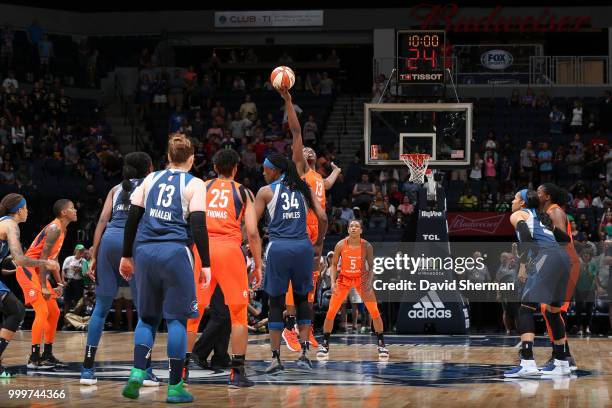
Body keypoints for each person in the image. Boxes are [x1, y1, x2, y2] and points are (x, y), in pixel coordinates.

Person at [119, 134, 210, 403]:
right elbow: (198, 226)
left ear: (168, 157)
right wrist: (205, 262)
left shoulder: (151, 179)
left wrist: (126, 256)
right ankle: (175, 387)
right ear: (192, 159)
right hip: (175, 253)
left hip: (145, 252)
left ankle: (137, 372)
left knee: (147, 318)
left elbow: (132, 218)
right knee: (176, 321)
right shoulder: (195, 184)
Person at [184, 148, 262, 388]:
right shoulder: (243, 192)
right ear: (236, 168)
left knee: (192, 313)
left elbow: (187, 216)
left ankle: (182, 369)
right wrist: (258, 264)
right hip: (230, 251)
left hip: (203, 250)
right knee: (238, 315)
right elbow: (251, 232)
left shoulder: (201, 186)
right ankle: (237, 373)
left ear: (215, 168)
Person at [79, 152, 155, 386]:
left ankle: (87, 370)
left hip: (109, 240)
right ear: (148, 168)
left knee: (101, 308)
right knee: (145, 312)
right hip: (132, 242)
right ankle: (144, 370)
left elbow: (102, 221)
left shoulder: (114, 188)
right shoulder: (150, 185)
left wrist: (93, 253)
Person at [278, 87, 341, 353]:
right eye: (303, 150)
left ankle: (305, 331)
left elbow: (328, 182)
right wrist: (289, 101)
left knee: (311, 286)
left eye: (311, 150)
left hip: (318, 234)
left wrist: (336, 169)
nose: (307, 150)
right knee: (296, 284)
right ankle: (288, 328)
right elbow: (296, 132)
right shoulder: (301, 171)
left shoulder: (318, 179)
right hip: (300, 230)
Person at [254, 152, 327, 374]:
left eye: (265, 169)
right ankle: (304, 355)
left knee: (276, 303)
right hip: (303, 247)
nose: (263, 172)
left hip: (279, 247)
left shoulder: (266, 192)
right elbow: (323, 218)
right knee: (303, 300)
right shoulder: (305, 189)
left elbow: (252, 225)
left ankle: (276, 358)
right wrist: (319, 242)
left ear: (275, 171)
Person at [504, 190, 571, 378]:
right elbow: (565, 239)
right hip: (564, 260)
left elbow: (524, 236)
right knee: (553, 311)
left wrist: (523, 265)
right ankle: (561, 362)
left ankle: (527, 363)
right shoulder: (542, 219)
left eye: (515, 198)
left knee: (525, 307)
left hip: (546, 257)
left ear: (523, 203)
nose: (512, 200)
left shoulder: (518, 214)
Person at [0, 194, 60, 377]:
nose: (27, 211)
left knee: (15, 310)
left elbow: (12, 258)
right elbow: (19, 258)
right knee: (16, 310)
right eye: (26, 208)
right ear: (19, 210)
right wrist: (45, 263)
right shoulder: (11, 225)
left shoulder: (3, 222)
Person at [16, 199, 78, 369]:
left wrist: (60, 282)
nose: (76, 210)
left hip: (39, 272)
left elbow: (53, 260)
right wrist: (44, 286)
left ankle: (47, 355)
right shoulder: (54, 228)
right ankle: (34, 358)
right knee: (42, 311)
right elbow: (43, 259)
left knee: (54, 311)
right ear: (64, 213)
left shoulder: (62, 230)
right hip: (28, 270)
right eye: (72, 208)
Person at [317, 220, 388, 359]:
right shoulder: (340, 245)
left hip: (361, 278)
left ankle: (382, 344)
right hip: (344, 279)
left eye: (356, 226)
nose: (353, 228)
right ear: (348, 230)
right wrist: (333, 282)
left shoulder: (367, 245)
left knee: (374, 311)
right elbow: (333, 265)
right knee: (331, 311)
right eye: (351, 226)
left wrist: (369, 281)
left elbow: (372, 266)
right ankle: (325, 344)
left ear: (361, 230)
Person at [536, 183, 580, 371]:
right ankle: (563, 355)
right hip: (559, 263)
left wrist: (551, 227)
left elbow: (564, 239)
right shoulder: (548, 213)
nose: (535, 194)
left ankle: (562, 355)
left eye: (538, 192)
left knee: (553, 310)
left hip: (566, 264)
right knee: (549, 310)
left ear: (547, 196)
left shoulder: (555, 212)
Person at [61, 244, 86, 318]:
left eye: (82, 251)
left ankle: (75, 321)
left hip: (79, 282)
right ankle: (66, 321)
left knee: (77, 302)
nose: (80, 252)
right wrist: (63, 281)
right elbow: (63, 270)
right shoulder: (69, 259)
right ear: (75, 250)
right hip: (69, 281)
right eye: (79, 250)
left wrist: (80, 270)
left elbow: (85, 274)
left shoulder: (84, 261)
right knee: (67, 302)